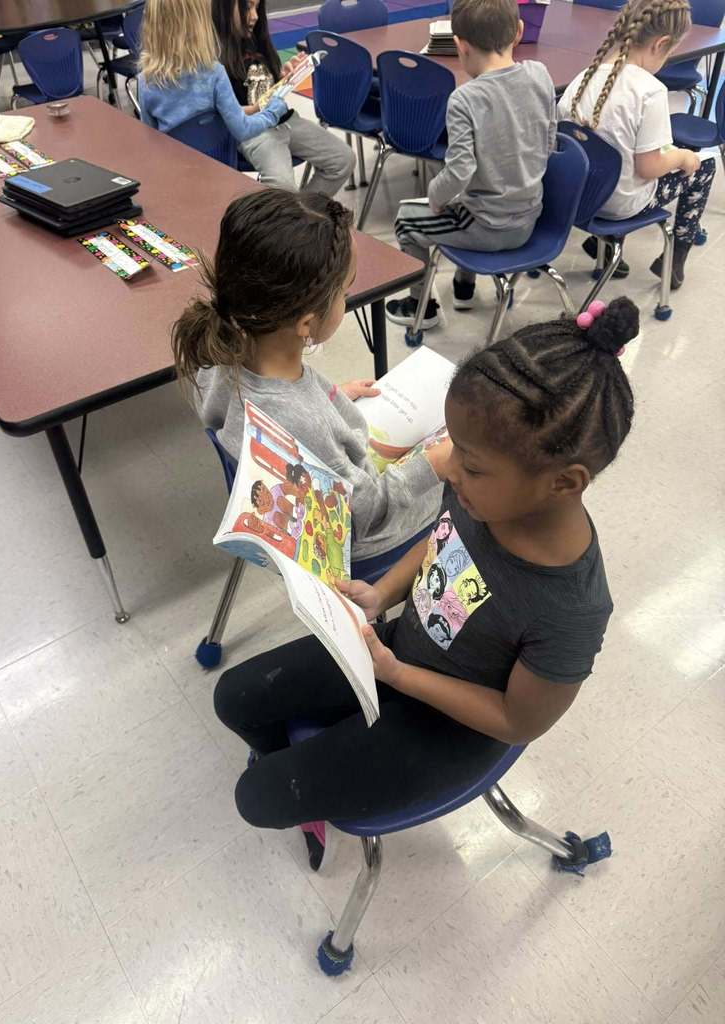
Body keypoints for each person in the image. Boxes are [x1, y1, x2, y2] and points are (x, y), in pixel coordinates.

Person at [214, 297, 640, 868]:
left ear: (565, 482)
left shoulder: (571, 608)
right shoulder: (483, 497)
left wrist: (398, 675)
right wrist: (381, 592)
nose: (449, 467)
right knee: (234, 698)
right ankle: (307, 765)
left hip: (451, 726)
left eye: (471, 464)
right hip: (400, 652)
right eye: (455, 450)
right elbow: (442, 537)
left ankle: (307, 785)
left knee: (257, 798)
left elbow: (519, 720)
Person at [171, 189, 450, 559]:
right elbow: (367, 514)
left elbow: (288, 416)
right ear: (306, 322)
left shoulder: (217, 356)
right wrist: (435, 464)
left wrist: (330, 395)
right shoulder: (306, 421)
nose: (347, 300)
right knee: (470, 485)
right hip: (351, 547)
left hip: (280, 516)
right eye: (344, 292)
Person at [386, 0, 556, 330]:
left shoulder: (464, 99)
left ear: (460, 45)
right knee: (468, 198)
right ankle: (464, 288)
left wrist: (434, 198)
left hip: (490, 228)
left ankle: (421, 307)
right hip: (531, 217)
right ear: (519, 32)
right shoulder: (540, 74)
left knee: (408, 218)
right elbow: (549, 141)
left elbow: (460, 172)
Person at [559, 0, 716, 290]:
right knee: (704, 166)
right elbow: (648, 167)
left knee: (620, 156)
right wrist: (682, 157)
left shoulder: (585, 77)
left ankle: (604, 249)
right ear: (661, 44)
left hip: (576, 196)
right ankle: (674, 261)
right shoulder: (650, 91)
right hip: (619, 205)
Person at [212, 0, 354, 195]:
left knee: (343, 159)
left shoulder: (255, 37)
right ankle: (292, 218)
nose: (254, 16)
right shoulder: (214, 52)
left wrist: (283, 76)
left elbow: (265, 82)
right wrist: (258, 109)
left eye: (257, 8)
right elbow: (222, 112)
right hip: (254, 131)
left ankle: (302, 217)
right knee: (284, 189)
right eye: (247, 8)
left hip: (285, 120)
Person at [137, 0, 287, 141]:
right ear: (200, 26)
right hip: (219, 165)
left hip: (174, 165)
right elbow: (243, 129)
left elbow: (150, 140)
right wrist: (273, 111)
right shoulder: (214, 73)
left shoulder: (145, 82)